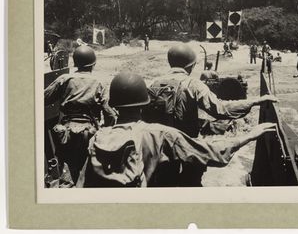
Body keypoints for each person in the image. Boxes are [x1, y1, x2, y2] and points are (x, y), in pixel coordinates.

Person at [81, 71, 276, 187]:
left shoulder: (97, 137)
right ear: (143, 104)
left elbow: (84, 182)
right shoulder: (158, 134)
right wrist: (250, 135)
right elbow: (211, 152)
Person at [148, 43, 277, 186]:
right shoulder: (193, 84)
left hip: (158, 150)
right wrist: (254, 102)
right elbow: (220, 109)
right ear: (190, 65)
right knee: (191, 185)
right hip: (189, 149)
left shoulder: (152, 84)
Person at [44, 45, 117, 183]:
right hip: (89, 132)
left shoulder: (64, 79)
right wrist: (107, 129)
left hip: (65, 132)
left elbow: (42, 98)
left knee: (66, 172)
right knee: (89, 174)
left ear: (75, 62)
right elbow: (109, 113)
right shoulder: (99, 82)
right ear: (93, 64)